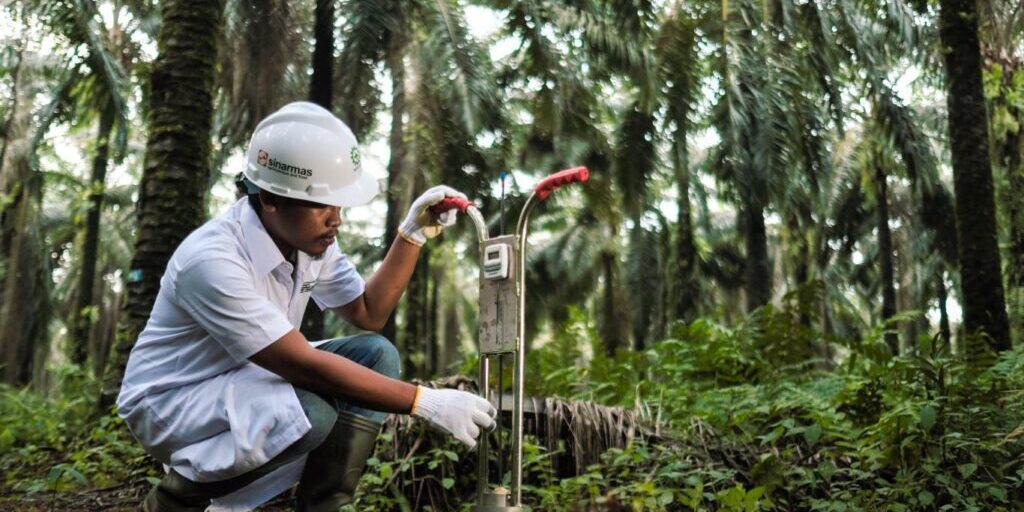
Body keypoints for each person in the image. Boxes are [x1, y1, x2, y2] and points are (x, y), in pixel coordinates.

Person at [116, 101, 496, 512]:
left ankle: (324, 506)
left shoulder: (308, 244)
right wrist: (425, 401)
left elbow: (369, 312)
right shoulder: (211, 261)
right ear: (269, 199)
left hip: (245, 378)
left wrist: (411, 235)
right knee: (308, 410)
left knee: (376, 354)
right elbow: (302, 365)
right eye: (321, 205)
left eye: (339, 205)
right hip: (175, 400)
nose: (337, 220)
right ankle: (173, 502)